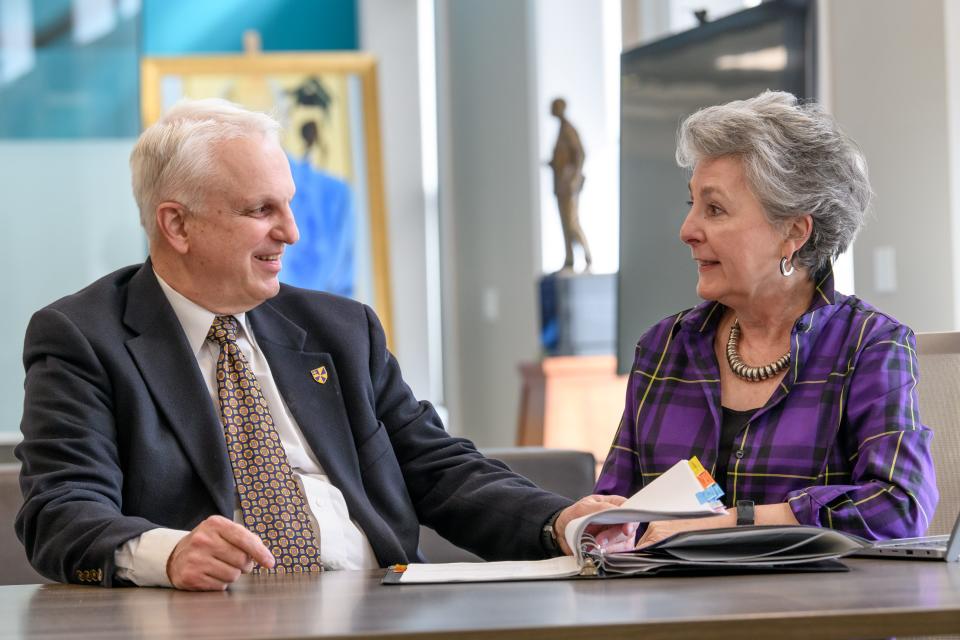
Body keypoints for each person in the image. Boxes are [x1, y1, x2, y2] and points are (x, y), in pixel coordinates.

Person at [15, 99, 634, 591]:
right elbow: (60, 512)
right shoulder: (83, 338)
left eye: (287, 204)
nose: (292, 231)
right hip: (215, 620)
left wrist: (560, 520)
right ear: (176, 224)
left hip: (382, 609)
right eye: (261, 210)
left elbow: (437, 467)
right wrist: (170, 553)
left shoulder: (342, 329)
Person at [595, 91, 938, 544]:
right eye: (691, 205)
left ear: (793, 232)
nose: (687, 231)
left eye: (714, 209)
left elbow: (900, 507)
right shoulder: (663, 348)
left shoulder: (870, 345)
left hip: (811, 611)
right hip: (668, 610)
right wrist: (593, 526)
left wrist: (736, 523)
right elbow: (613, 512)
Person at [548, 98, 592, 272]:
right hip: (561, 185)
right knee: (565, 223)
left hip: (568, 185)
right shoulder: (561, 130)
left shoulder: (568, 129)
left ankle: (587, 256)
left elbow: (580, 153)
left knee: (572, 222)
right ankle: (570, 258)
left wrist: (573, 176)